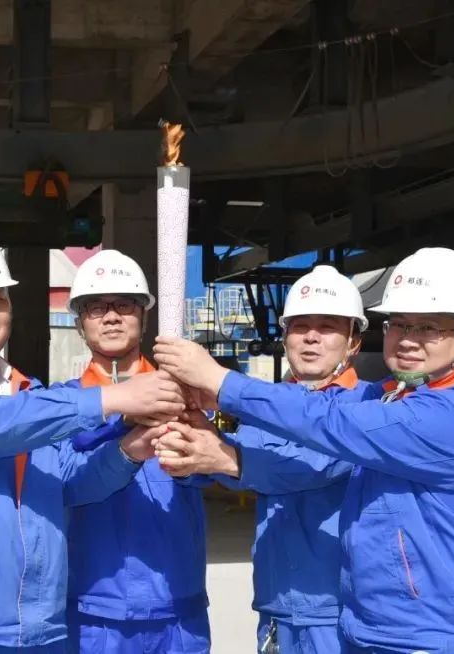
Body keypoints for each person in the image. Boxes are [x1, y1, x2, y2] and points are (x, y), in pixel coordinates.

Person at [154, 247, 454, 654]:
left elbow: (326, 433)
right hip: (360, 626)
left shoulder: (442, 416)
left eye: (429, 327)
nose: (409, 339)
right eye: (399, 324)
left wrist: (222, 390)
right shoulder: (382, 400)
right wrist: (194, 442)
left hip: (423, 635)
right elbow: (293, 424)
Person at [0, 230, 186, 653]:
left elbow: (71, 482)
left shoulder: (30, 392)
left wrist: (130, 450)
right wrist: (112, 398)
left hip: (41, 631)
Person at [155, 266, 369, 654]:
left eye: (327, 327)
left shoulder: (367, 406)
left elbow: (312, 466)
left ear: (354, 341)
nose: (311, 337)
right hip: (276, 609)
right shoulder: (265, 406)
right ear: (285, 337)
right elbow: (240, 454)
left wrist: (219, 456)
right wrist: (191, 441)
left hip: (338, 614)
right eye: (300, 326)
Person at [54, 249, 210, 654]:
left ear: (143, 316)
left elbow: (215, 472)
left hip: (178, 610)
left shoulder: (183, 395)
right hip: (93, 613)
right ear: (80, 322)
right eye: (96, 307)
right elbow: (67, 485)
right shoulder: (61, 407)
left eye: (124, 305)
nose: (111, 316)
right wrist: (124, 427)